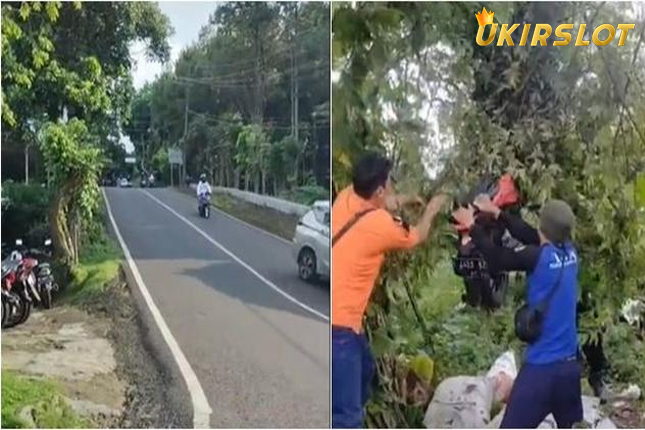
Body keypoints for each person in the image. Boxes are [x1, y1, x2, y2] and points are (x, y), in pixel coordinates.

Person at [332, 152, 447, 428]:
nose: (393, 190)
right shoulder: (382, 225)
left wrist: (408, 198)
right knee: (348, 418)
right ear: (380, 190)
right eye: (390, 184)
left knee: (366, 370)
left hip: (344, 323)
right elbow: (417, 235)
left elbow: (384, 203)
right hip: (340, 330)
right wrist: (432, 208)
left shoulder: (347, 197)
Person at [452, 195, 582, 428]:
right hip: (570, 370)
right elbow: (531, 234)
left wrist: (472, 225)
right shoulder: (571, 253)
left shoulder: (535, 258)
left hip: (541, 371)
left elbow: (496, 259)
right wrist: (497, 212)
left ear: (543, 226)